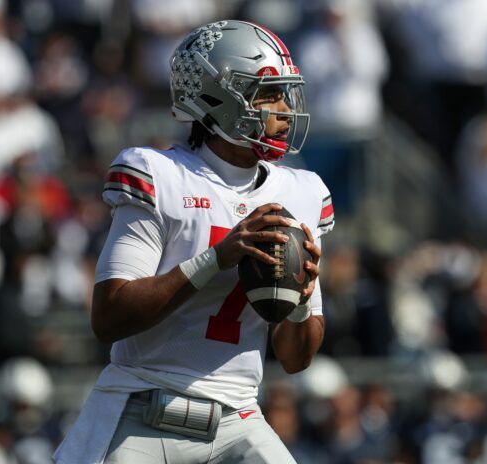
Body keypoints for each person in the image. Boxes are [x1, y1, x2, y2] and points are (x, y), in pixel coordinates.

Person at [53, 20, 335, 464]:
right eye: (267, 94)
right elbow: (109, 317)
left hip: (238, 417)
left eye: (285, 93)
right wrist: (217, 259)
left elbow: (297, 359)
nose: (283, 108)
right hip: (141, 407)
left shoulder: (301, 192)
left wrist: (300, 300)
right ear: (216, 97)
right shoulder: (157, 174)